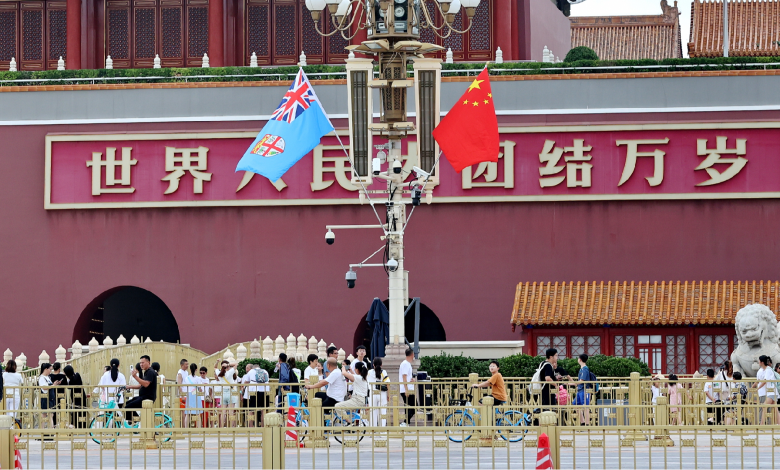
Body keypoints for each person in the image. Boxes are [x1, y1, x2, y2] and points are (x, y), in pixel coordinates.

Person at [125, 355, 158, 422]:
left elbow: (146, 384)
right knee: (128, 403)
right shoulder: (146, 372)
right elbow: (141, 385)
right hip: (143, 396)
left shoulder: (150, 372)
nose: (141, 364)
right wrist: (129, 386)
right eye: (140, 363)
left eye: (143, 362)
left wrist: (135, 377)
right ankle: (135, 422)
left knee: (128, 407)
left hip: (147, 398)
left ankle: (137, 422)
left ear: (148, 362)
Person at [571, 354, 592, 426]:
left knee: (585, 407)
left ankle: (587, 424)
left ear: (580, 359)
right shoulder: (582, 369)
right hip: (580, 390)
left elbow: (582, 380)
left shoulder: (585, 369)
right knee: (576, 404)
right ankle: (582, 422)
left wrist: (571, 383)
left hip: (584, 390)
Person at [368, 358, 388, 426]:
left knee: (373, 412)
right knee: (383, 411)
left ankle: (372, 430)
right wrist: (388, 395)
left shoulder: (369, 372)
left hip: (372, 393)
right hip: (382, 393)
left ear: (373, 364)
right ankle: (382, 431)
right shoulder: (383, 372)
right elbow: (387, 383)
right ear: (381, 365)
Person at [38, 363, 59, 429]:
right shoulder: (41, 378)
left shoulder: (47, 377)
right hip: (45, 398)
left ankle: (50, 429)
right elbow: (44, 387)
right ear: (46, 369)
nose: (51, 371)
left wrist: (54, 385)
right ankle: (43, 430)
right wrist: (53, 386)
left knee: (51, 414)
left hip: (50, 398)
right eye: (50, 369)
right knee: (44, 414)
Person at [399, 348, 416, 426]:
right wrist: (406, 390)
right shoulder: (405, 364)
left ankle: (406, 424)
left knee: (408, 407)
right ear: (412, 355)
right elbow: (404, 377)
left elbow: (406, 377)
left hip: (408, 388)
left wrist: (412, 380)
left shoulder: (407, 364)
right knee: (414, 406)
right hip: (407, 389)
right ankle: (405, 422)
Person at [184, 363, 202, 428]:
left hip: (189, 394)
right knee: (197, 413)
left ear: (190, 369)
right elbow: (200, 389)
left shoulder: (187, 378)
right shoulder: (198, 378)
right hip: (196, 395)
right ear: (196, 370)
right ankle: (199, 428)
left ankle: (186, 428)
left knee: (188, 413)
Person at [176, 359, 189, 425]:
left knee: (187, 412)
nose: (187, 366)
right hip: (182, 395)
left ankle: (186, 426)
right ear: (182, 365)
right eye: (186, 364)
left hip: (187, 394)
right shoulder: (180, 373)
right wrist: (182, 396)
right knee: (183, 412)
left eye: (187, 364)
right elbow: (179, 385)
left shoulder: (186, 372)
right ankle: (183, 427)